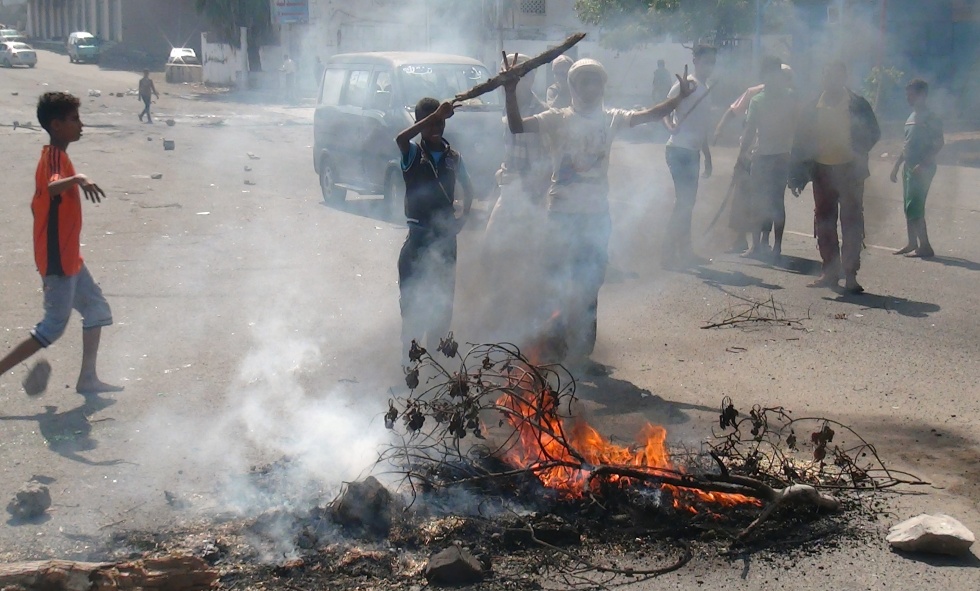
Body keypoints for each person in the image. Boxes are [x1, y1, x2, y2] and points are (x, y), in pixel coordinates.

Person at [503, 56, 694, 371]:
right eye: (584, 81)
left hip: (595, 217)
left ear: (602, 87)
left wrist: (678, 99)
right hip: (561, 215)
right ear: (573, 86)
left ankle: (582, 352)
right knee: (557, 282)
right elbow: (516, 126)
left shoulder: (612, 118)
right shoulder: (557, 118)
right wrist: (510, 91)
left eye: (596, 81)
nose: (591, 88)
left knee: (590, 285)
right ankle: (552, 349)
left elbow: (650, 115)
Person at [0, 92, 120, 395]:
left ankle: (88, 378)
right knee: (53, 327)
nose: (81, 125)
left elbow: (38, 205)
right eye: (74, 119)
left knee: (96, 308)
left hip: (69, 258)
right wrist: (79, 178)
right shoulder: (54, 157)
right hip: (59, 263)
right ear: (56, 125)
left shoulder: (60, 156)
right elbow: (53, 187)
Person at [789, 61, 880, 292]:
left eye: (836, 76)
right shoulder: (812, 107)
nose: (831, 80)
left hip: (850, 172)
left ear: (843, 78)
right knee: (824, 222)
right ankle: (829, 272)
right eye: (827, 76)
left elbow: (874, 132)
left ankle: (850, 275)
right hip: (822, 172)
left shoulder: (857, 104)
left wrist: (858, 151)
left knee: (851, 223)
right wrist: (796, 175)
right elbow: (800, 142)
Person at [395, 98, 475, 356]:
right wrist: (435, 115)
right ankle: (410, 365)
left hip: (445, 241)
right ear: (419, 123)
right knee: (413, 310)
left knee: (442, 307)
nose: (436, 127)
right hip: (418, 240)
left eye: (440, 122)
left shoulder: (454, 157)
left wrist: (463, 218)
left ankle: (436, 368)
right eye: (430, 122)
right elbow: (400, 138)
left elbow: (469, 189)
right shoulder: (412, 154)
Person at [482, 53, 551, 344]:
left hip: (532, 195)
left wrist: (534, 194)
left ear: (530, 79)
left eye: (515, 78)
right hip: (510, 191)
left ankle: (532, 324)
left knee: (533, 259)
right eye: (504, 79)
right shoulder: (506, 110)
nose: (507, 84)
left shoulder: (543, 113)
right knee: (491, 251)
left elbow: (548, 161)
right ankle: (499, 316)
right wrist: (499, 183)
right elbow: (507, 156)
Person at [662, 45, 717, 268]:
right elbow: (665, 110)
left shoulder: (706, 88)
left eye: (712, 62)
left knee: (687, 203)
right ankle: (668, 254)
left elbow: (701, 128)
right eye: (706, 61)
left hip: (693, 152)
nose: (709, 66)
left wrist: (707, 156)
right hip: (678, 150)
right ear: (695, 61)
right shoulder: (686, 84)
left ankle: (684, 252)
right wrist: (670, 126)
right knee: (684, 203)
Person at [738, 57, 798, 259]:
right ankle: (768, 247)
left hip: (769, 157)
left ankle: (764, 247)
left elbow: (749, 130)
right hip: (775, 156)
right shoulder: (786, 97)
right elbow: (797, 127)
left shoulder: (761, 100)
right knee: (770, 202)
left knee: (765, 202)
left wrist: (742, 154)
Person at [891, 79, 943, 258]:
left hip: (923, 168)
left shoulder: (931, 118)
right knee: (908, 206)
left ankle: (925, 246)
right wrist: (896, 165)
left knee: (915, 206)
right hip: (909, 167)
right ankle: (912, 243)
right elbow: (907, 145)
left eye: (911, 94)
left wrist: (924, 164)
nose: (908, 98)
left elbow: (939, 143)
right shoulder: (911, 117)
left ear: (923, 95)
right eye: (907, 94)